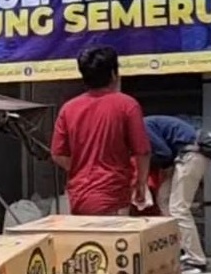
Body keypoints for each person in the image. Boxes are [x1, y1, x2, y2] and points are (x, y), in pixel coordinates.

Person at [51, 45, 150, 215]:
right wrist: (141, 182)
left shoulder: (68, 109)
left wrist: (83, 168)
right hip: (114, 196)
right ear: (113, 74)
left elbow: (57, 154)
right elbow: (142, 151)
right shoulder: (127, 105)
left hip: (78, 197)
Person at [143, 115, 209, 273]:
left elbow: (164, 153)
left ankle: (197, 260)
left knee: (179, 208)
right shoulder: (149, 123)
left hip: (189, 156)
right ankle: (180, 248)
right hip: (185, 155)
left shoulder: (142, 126)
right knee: (163, 200)